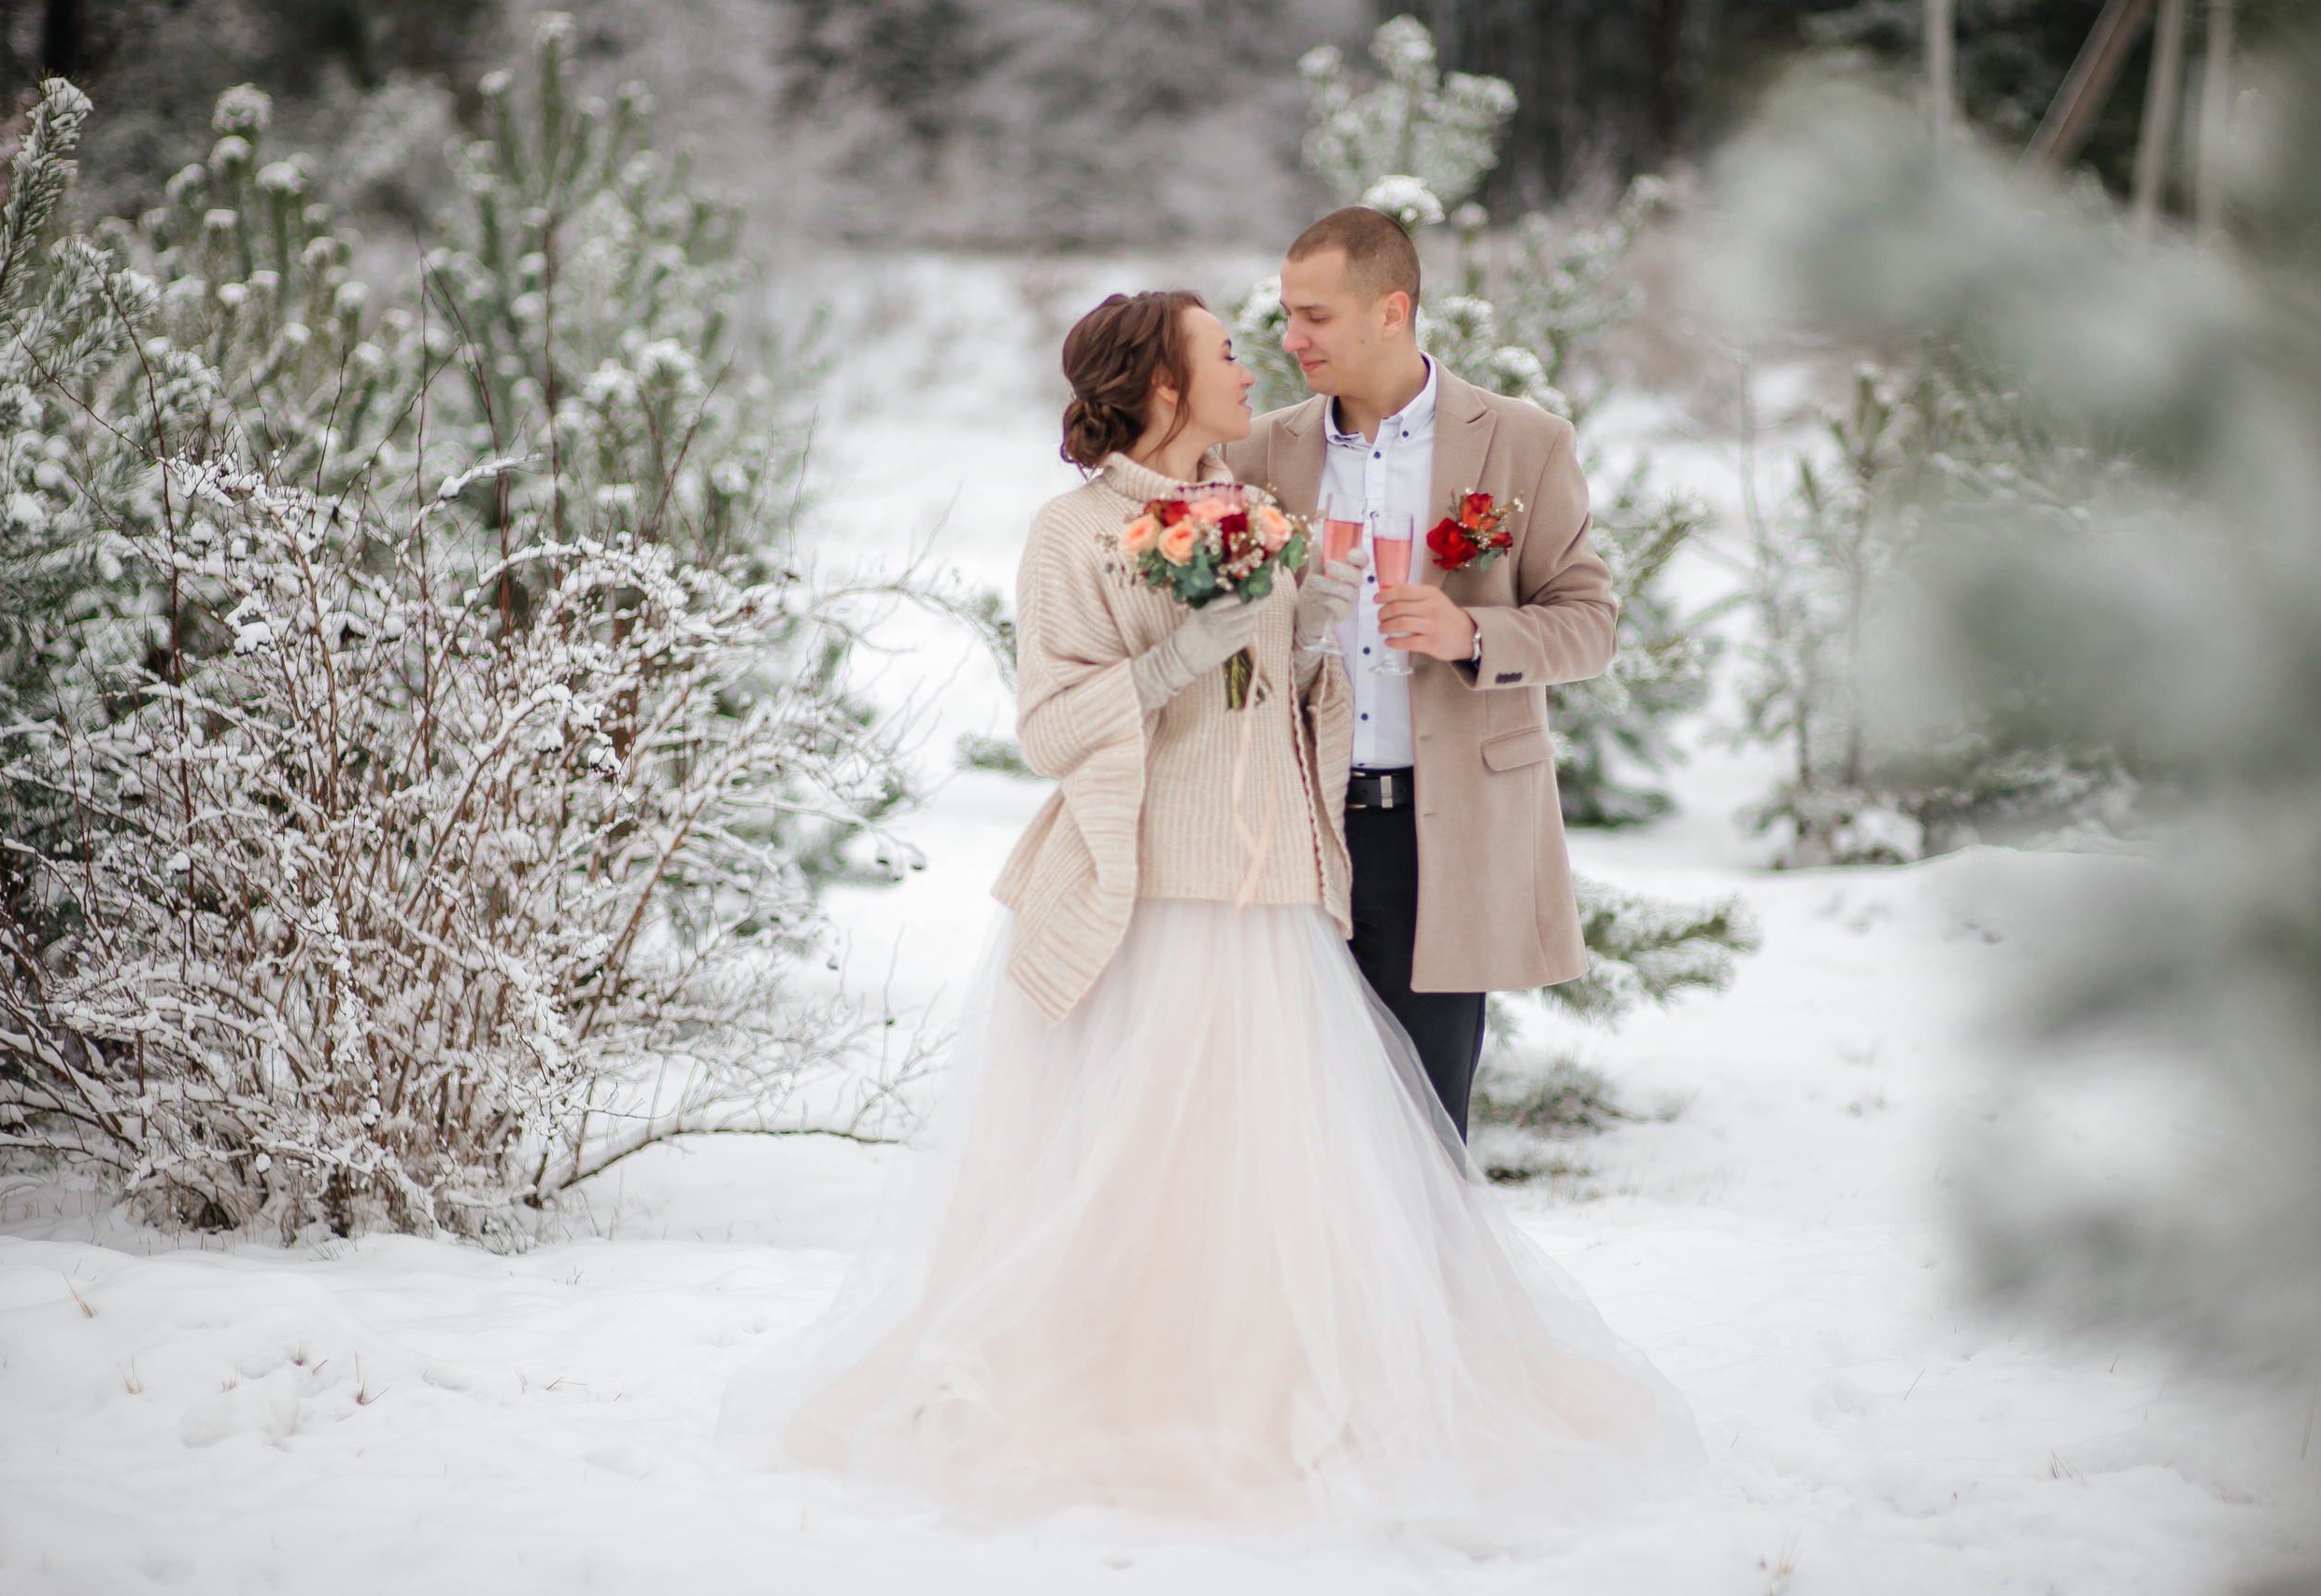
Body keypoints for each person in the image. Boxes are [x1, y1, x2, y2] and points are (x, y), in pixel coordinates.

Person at [720, 290, 1695, 1529]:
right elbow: (1052, 725)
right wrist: (1181, 654)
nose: (1251, 364)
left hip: (1276, 899)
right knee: (1132, 1176)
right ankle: (1115, 1391)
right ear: (1165, 389)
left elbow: (1268, 715)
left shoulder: (1259, 515)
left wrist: (1306, 636)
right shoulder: (1068, 536)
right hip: (1148, 902)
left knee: (1280, 1186)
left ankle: (1281, 1387)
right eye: (1224, 353)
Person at [1224, 206, 1618, 1141]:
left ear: (1390, 310)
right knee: (1292, 1130)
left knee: (1426, 1136)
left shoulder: (1524, 442)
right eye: (1286, 313)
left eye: (1314, 316)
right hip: (1291, 831)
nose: (1291, 338)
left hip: (1443, 836)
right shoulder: (1255, 451)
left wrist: (1471, 630)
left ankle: (1429, 1294)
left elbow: (1591, 625)